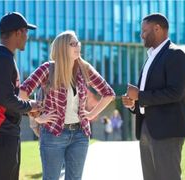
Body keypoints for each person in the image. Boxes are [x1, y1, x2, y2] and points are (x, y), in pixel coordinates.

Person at [20, 30, 115, 180]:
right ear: (62, 47)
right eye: (73, 43)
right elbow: (23, 92)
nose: (78, 46)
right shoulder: (48, 69)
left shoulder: (84, 68)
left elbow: (109, 93)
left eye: (78, 42)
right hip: (52, 134)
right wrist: (37, 117)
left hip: (80, 135)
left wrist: (90, 115)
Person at [121, 13, 185, 180]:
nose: (141, 35)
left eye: (144, 31)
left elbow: (175, 92)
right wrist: (133, 103)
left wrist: (140, 95)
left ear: (157, 29)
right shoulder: (151, 57)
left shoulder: (175, 54)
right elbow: (146, 96)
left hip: (167, 130)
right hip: (146, 127)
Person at [0, 12, 38, 180]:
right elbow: (5, 99)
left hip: (3, 131)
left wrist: (28, 110)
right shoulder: (2, 59)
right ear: (18, 32)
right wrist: (31, 106)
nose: (27, 36)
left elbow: (3, 98)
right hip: (1, 133)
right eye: (26, 32)